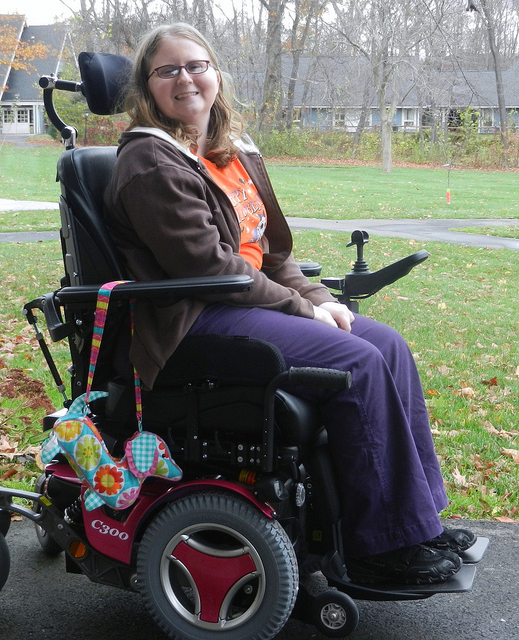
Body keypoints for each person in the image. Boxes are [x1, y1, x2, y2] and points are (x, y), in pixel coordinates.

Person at [104, 22, 475, 586]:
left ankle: (415, 522)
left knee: (388, 345)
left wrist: (319, 297)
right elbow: (209, 269)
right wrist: (302, 311)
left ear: (217, 75)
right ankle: (380, 548)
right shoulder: (150, 161)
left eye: (197, 65)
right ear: (146, 87)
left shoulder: (229, 155)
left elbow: (270, 254)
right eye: (168, 70)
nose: (186, 79)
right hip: (192, 320)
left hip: (240, 302)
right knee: (356, 363)